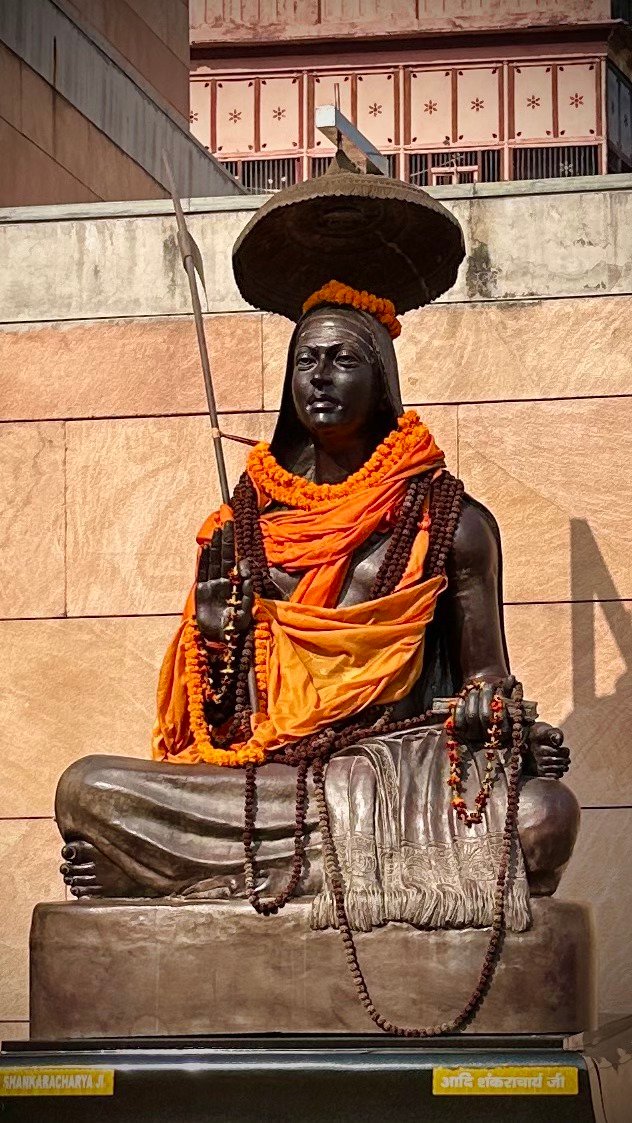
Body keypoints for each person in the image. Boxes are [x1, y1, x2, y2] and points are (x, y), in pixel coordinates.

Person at [56, 163, 578, 939]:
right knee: (86, 788)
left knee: (542, 815)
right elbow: (221, 729)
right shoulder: (242, 526)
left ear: (382, 377)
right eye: (307, 360)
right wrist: (215, 643)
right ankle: (280, 867)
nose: (321, 377)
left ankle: (204, 871)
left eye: (343, 359)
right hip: (268, 787)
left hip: (396, 779)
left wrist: (493, 715)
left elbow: (488, 679)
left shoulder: (450, 521)